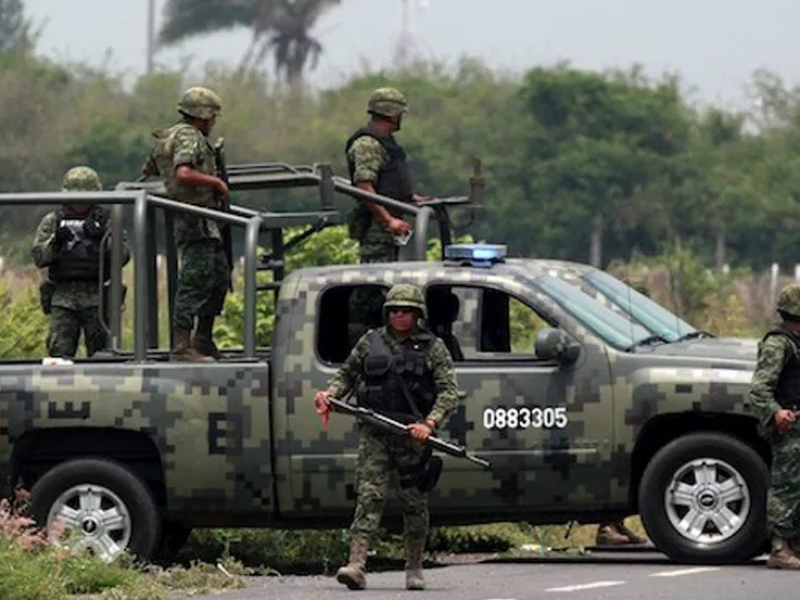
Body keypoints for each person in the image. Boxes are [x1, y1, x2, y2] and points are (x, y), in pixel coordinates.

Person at [314, 283, 460, 591]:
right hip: (375, 432)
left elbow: (448, 392)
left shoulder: (432, 347)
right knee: (369, 496)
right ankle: (356, 564)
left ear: (417, 314)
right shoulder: (371, 342)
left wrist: (430, 424)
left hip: (413, 437)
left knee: (414, 504)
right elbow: (347, 374)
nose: (399, 316)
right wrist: (330, 394)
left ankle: (415, 567)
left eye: (405, 311)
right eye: (393, 310)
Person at [140, 86, 231, 362]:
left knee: (217, 277)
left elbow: (150, 170)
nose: (213, 122)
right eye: (212, 116)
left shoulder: (170, 136)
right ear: (202, 116)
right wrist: (216, 182)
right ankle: (182, 347)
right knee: (194, 281)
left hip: (204, 218)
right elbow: (183, 172)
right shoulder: (189, 137)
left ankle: (202, 339)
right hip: (196, 218)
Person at [31, 166, 131, 358]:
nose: (80, 202)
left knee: (102, 355)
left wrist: (104, 238)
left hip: (98, 297)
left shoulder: (107, 220)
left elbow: (124, 256)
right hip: (63, 298)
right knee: (59, 353)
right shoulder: (53, 221)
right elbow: (39, 257)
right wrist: (56, 242)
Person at [344, 86, 433, 265]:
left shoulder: (385, 143)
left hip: (388, 225)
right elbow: (364, 188)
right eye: (400, 113)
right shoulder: (367, 144)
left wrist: (412, 198)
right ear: (391, 113)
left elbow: (388, 182)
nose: (401, 118)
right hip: (376, 228)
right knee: (374, 282)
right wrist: (388, 220)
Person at [749, 282, 800, 569]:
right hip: (788, 427)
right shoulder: (778, 343)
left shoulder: (795, 341)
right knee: (786, 487)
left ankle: (795, 544)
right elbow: (759, 390)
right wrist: (775, 413)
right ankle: (780, 549)